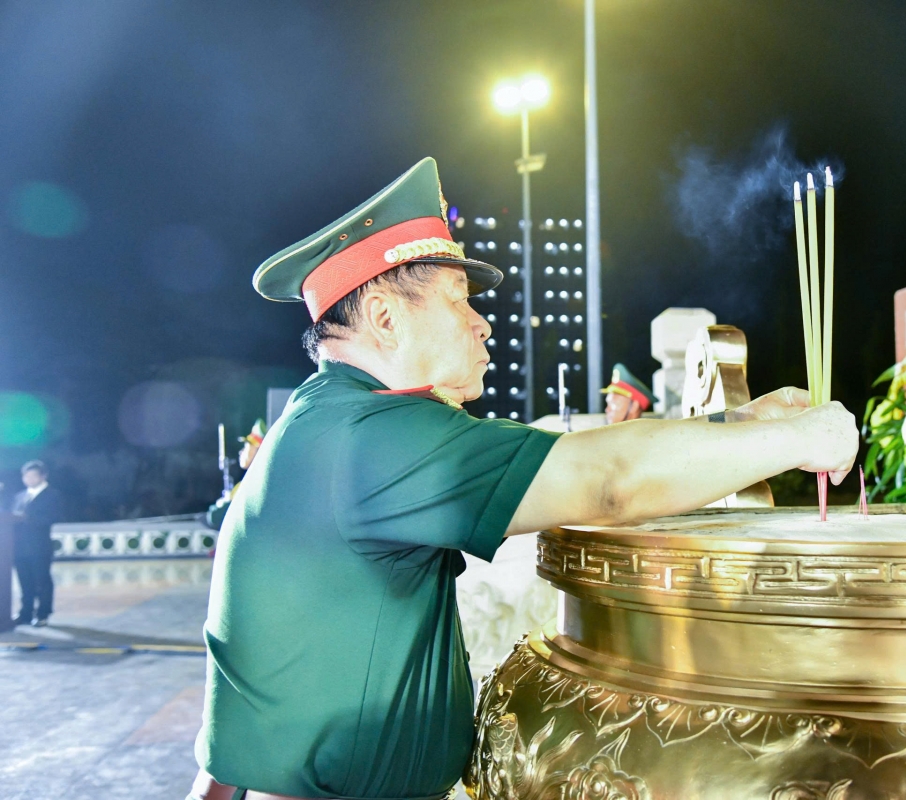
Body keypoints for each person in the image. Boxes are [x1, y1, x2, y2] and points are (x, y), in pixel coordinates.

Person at [189, 157, 858, 800]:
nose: (483, 323)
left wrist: (739, 422)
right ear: (386, 320)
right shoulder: (375, 440)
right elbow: (608, 481)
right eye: (458, 300)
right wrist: (792, 441)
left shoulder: (322, 422)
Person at [11, 460, 64, 627]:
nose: (29, 479)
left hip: (39, 546)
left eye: (33, 475)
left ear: (43, 476)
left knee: (42, 580)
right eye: (26, 476)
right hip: (20, 547)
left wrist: (28, 518)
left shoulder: (52, 495)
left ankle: (43, 613)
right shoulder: (20, 496)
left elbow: (53, 517)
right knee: (24, 581)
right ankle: (25, 612)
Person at [205, 419, 266, 531]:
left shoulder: (252, 484)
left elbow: (215, 517)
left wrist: (225, 502)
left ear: (259, 449)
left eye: (247, 445)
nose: (241, 451)